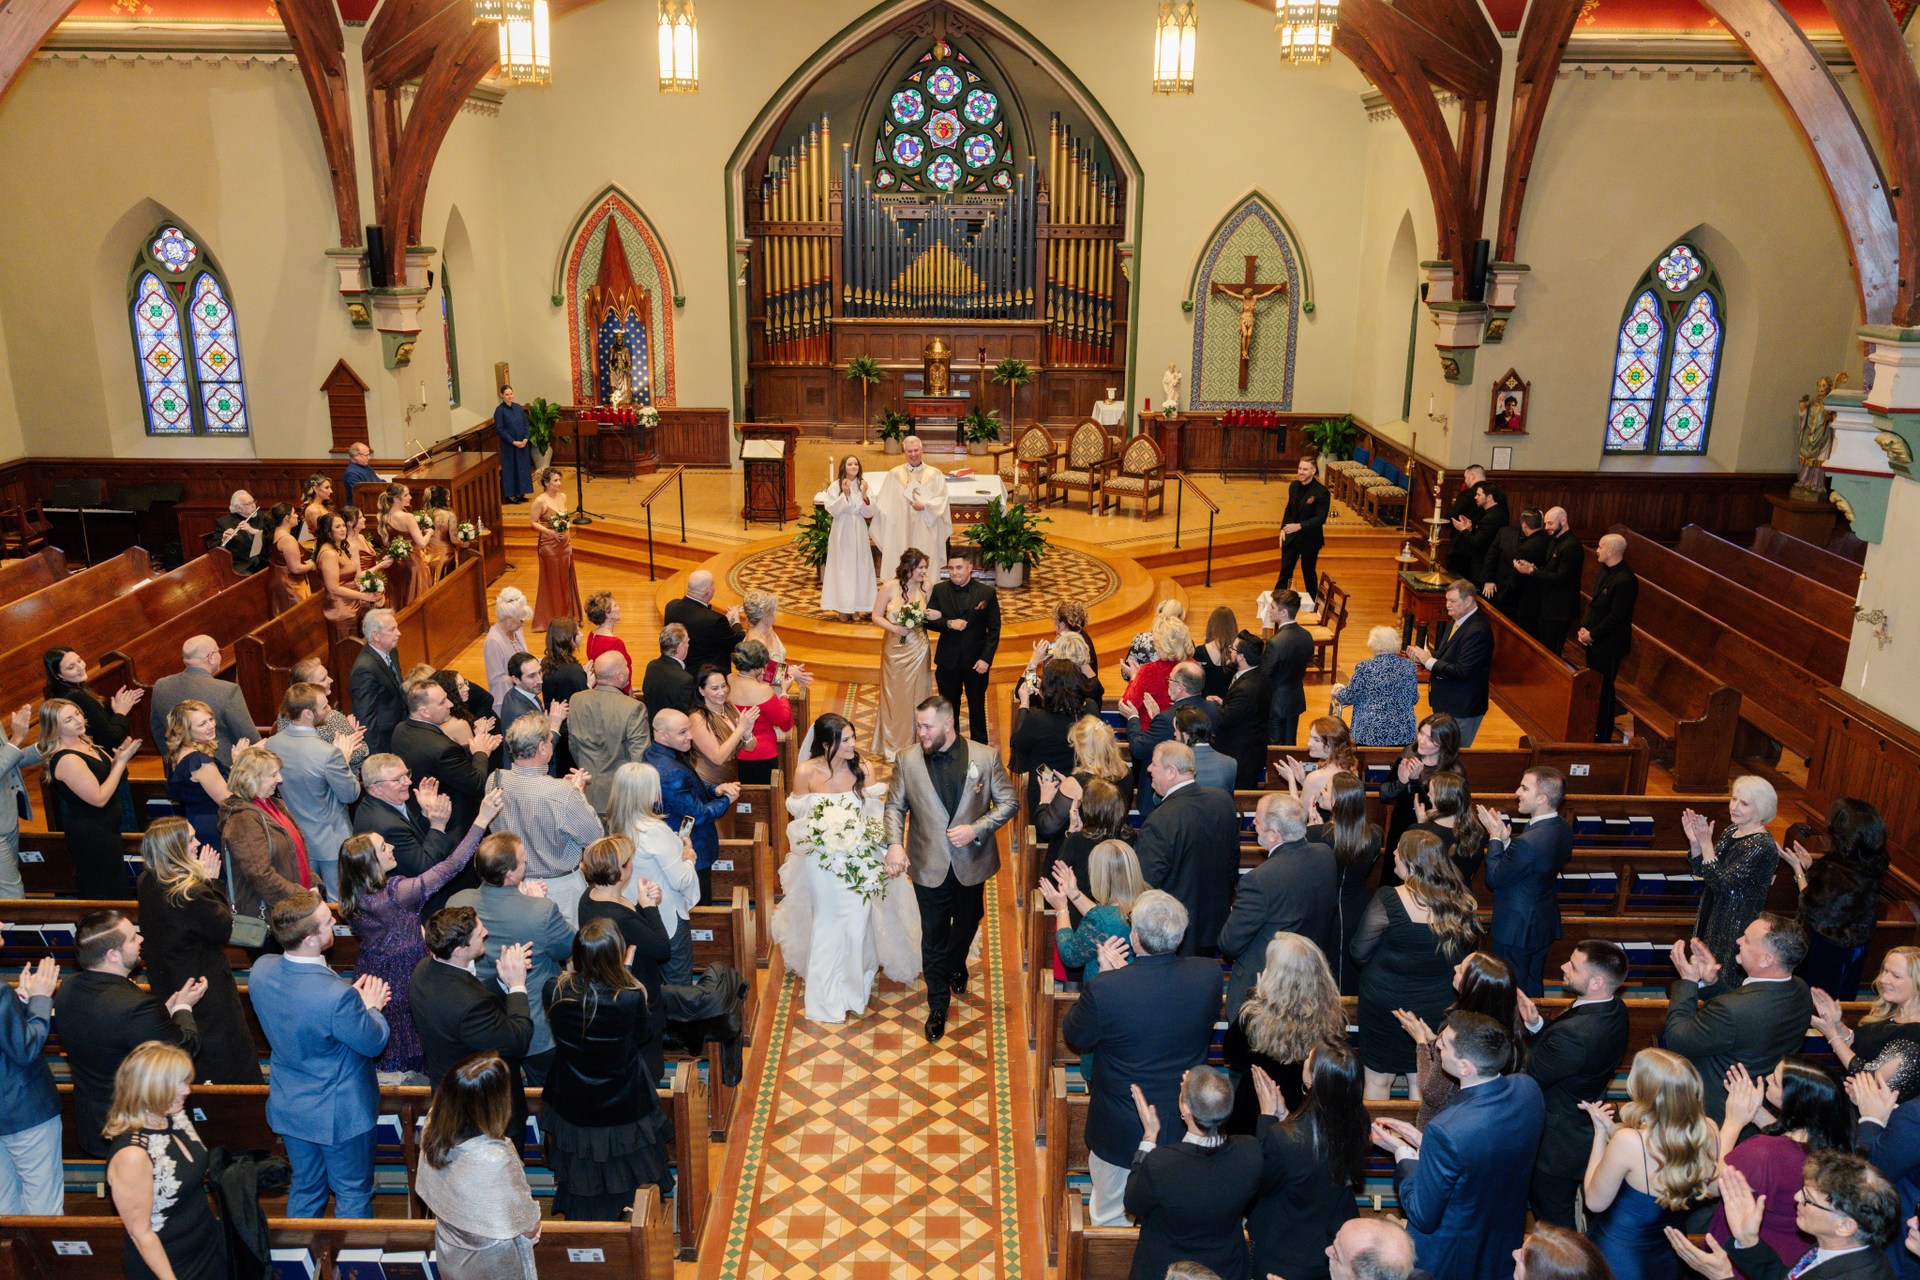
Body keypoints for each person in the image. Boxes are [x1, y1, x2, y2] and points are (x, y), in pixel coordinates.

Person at [1061, 889, 1223, 1227]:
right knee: (1171, 1218)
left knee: (1111, 1218)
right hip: (1183, 1126)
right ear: (1180, 935)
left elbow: (1076, 1035)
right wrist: (1122, 979)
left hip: (1121, 1129)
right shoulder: (1208, 976)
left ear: (1134, 937)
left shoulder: (1106, 989)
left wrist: (1109, 977)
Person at [882, 695, 1018, 1041]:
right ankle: (938, 1004)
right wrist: (895, 843)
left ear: (948, 724)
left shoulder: (984, 757)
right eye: (918, 726)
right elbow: (895, 806)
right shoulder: (907, 760)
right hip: (927, 862)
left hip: (971, 861)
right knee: (934, 934)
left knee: (970, 920)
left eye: (927, 726)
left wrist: (977, 828)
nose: (921, 733)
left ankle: (955, 963)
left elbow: (1009, 801)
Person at [249, 890, 390, 1217]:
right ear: (310, 939)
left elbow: (308, 1013)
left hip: (291, 1103)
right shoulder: (336, 997)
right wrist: (371, 1008)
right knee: (352, 1192)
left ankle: (300, 1250)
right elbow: (373, 1042)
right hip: (339, 1113)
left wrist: (349, 1007)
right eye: (327, 922)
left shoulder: (261, 970)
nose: (335, 922)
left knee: (306, 1187)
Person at [771, 713, 921, 1024]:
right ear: (826, 744)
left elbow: (876, 814)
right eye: (846, 740)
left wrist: (877, 847)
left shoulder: (862, 769)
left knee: (857, 922)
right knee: (827, 923)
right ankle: (825, 997)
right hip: (821, 863)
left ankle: (854, 989)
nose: (853, 744)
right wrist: (824, 834)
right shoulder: (805, 772)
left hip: (859, 860)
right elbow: (800, 820)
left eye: (853, 737)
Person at [1372, 1011, 1545, 1280]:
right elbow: (1483, 1152)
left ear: (1465, 1067)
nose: (1437, 1046)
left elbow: (1421, 1214)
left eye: (1443, 1045)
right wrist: (1426, 1144)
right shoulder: (1528, 1089)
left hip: (1454, 1255)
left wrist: (1403, 1154)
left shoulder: (1446, 1131)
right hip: (1502, 1236)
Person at [338, 789, 499, 1075]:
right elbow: (451, 866)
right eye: (383, 847)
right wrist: (481, 820)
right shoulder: (396, 895)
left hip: (372, 973)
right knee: (412, 1044)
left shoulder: (351, 895)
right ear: (370, 863)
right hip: (405, 977)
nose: (391, 847)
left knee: (388, 1042)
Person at [541, 917, 675, 1221]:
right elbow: (642, 1035)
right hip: (622, 1099)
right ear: (617, 954)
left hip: (574, 1100)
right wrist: (626, 975)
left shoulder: (555, 990)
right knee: (628, 1173)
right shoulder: (629, 996)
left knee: (583, 1175)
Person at [55, 910, 204, 1157]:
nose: (141, 939)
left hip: (93, 1120)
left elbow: (116, 1032)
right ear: (113, 955)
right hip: (133, 1129)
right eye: (133, 938)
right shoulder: (136, 1006)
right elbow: (184, 1050)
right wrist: (183, 1007)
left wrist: (162, 1014)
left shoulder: (68, 987)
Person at [1352, 830, 1483, 1100]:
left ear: (1412, 862)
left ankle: (1378, 1129)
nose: (1393, 853)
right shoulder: (1461, 902)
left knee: (1378, 1080)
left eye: (1398, 849)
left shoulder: (1389, 899)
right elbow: (1467, 955)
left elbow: (1359, 952)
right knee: (1421, 1078)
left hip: (1387, 1007)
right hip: (1435, 1007)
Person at [134, 819, 258, 1084]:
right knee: (225, 1055)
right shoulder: (190, 892)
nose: (198, 843)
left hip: (169, 981)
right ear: (175, 848)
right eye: (190, 839)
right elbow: (223, 927)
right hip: (204, 987)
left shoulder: (146, 881)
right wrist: (211, 882)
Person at [1521, 938, 1632, 1227]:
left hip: (1557, 1145)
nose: (1563, 966)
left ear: (1596, 982)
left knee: (1555, 1225)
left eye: (1573, 966)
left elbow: (1530, 1075)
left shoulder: (1574, 1035)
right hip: (1583, 1124)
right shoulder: (1615, 1008)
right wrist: (1537, 1025)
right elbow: (1568, 1057)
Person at [1710, 1057, 1859, 1272]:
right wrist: (1756, 1111)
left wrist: (1733, 1121)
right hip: (1794, 1259)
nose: (1768, 1078)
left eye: (1777, 1081)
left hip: (1747, 1259)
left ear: (1795, 1102)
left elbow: (1712, 1185)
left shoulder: (1762, 1152)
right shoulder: (1833, 1146)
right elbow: (1790, 1136)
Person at [449, 833, 575, 1086]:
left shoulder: (457, 902)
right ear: (509, 875)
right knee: (549, 1094)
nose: (527, 865)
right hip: (535, 1025)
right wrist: (536, 903)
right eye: (524, 862)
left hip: (484, 1022)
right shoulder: (541, 911)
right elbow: (569, 947)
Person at [1582, 1048, 1719, 1280]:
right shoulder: (1708, 1130)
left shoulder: (1628, 1141)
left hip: (1620, 1257)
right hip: (1671, 1253)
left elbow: (1594, 1202)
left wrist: (1600, 1134)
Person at [1665, 913, 1815, 1122]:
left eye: (1747, 939)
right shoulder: (1800, 988)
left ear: (1766, 959)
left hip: (1719, 1112)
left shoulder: (1733, 1010)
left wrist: (1688, 982)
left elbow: (1677, 1039)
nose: (1738, 941)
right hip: (1763, 1107)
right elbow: (1746, 1016)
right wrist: (1710, 983)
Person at [1123, 1065, 1265, 1280]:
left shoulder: (1161, 1163)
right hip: (1225, 1269)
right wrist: (1195, 1089)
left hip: (1167, 1269)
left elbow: (1133, 1203)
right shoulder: (1251, 1152)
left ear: (1186, 1110)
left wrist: (1149, 1137)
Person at [1247, 1041, 1370, 1280]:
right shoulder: (1358, 1124)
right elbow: (1312, 1159)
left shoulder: (1283, 1138)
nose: (1304, 1059)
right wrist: (1285, 1116)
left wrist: (1267, 1118)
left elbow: (1262, 1182)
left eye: (1309, 1059)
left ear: (1313, 1078)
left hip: (1283, 1251)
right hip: (1329, 1248)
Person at [104, 1042, 226, 1280]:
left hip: (207, 1246)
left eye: (186, 1081)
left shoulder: (173, 1116)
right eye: (177, 1084)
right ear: (150, 1088)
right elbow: (141, 1234)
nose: (187, 1091)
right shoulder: (132, 1155)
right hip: (171, 1264)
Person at [414, 1051, 541, 1280]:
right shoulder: (493, 1158)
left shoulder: (434, 1125)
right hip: (492, 1264)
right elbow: (528, 1225)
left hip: (450, 1251)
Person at [1672, 1154, 1900, 1280]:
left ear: (1845, 1226)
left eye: (1809, 1198)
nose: (1797, 1197)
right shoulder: (1837, 1248)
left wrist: (1723, 1277)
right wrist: (1748, 1240)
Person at [409, 906, 535, 1122]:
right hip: (481, 1109)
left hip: (446, 1091)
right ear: (459, 950)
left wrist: (501, 979)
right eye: (479, 933)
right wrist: (516, 985)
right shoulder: (470, 1006)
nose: (485, 932)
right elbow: (518, 1040)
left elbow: (467, 994)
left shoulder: (424, 969)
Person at [1220, 795, 1338, 1016]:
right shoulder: (1326, 855)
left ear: (1274, 834)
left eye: (1257, 821)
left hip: (1267, 991)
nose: (1253, 824)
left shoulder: (1259, 880)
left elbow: (1229, 944)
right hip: (1311, 981)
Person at [1222, 932, 1347, 1130]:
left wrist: (1257, 997)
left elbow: (1233, 1057)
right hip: (1306, 1110)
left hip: (1256, 1110)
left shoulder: (1254, 1016)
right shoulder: (1333, 1016)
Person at [1393, 950, 1526, 1128]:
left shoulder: (1464, 1032)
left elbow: (1432, 1093)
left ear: (1472, 987)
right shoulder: (1503, 1028)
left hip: (1443, 1125)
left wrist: (1421, 1043)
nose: (1455, 967)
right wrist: (1434, 1040)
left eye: (1461, 969)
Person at [575, 837, 671, 1079]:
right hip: (638, 995)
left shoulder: (590, 895)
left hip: (612, 991)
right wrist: (650, 908)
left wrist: (641, 905)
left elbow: (631, 929)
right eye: (629, 861)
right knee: (647, 1073)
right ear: (620, 871)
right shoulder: (618, 916)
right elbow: (662, 949)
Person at [490, 713, 601, 923]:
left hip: (513, 886)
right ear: (542, 747)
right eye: (550, 740)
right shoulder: (562, 792)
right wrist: (577, 794)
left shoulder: (495, 779)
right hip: (560, 890)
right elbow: (594, 837)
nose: (551, 745)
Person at [1134, 740, 1241, 957]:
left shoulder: (1159, 819)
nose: (1149, 769)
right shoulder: (1222, 801)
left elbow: (1146, 883)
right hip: (1215, 924)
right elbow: (1232, 861)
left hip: (1174, 931)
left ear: (1171, 771)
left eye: (1154, 764)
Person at [262, 682, 364, 898]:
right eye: (324, 706)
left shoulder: (271, 745)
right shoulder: (329, 753)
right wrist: (344, 760)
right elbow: (350, 794)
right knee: (340, 904)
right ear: (308, 714)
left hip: (295, 839)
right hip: (331, 841)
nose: (329, 709)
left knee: (306, 902)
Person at [1478, 766, 1573, 995]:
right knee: (1532, 982)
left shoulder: (1529, 842)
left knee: (1511, 988)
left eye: (1524, 788)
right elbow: (1532, 865)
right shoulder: (1563, 827)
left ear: (1541, 798)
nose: (1517, 792)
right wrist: (1506, 842)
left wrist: (1494, 838)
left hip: (1517, 928)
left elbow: (1494, 878)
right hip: (1541, 921)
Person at [607, 762, 702, 985]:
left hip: (635, 916)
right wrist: (688, 856)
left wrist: (673, 846)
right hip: (665, 917)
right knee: (678, 986)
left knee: (647, 982)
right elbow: (681, 881)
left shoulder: (615, 825)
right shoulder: (654, 829)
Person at [1685, 775, 1784, 987]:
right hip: (1713, 911)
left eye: (1744, 803)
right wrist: (1696, 844)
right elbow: (1707, 872)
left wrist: (1706, 843)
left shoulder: (1762, 846)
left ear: (1761, 809)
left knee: (1722, 981)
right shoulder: (1732, 830)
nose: (1735, 807)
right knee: (1703, 970)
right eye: (1734, 799)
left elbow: (1722, 883)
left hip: (1734, 922)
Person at [41, 698, 141, 897]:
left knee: (117, 890)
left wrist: (119, 758)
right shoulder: (67, 759)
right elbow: (98, 798)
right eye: (68, 720)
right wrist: (120, 763)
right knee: (104, 893)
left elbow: (113, 775)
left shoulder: (84, 741)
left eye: (77, 713)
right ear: (55, 728)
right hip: (92, 836)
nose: (78, 720)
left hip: (108, 829)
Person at [1792, 798, 1890, 1000]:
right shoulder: (1870, 862)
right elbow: (1838, 897)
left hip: (1827, 950)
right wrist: (1812, 869)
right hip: (1855, 946)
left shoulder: (1835, 871)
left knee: (1818, 1001)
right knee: (1843, 996)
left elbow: (1812, 908)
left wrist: (1798, 871)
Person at [1813, 947, 1920, 1099]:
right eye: (1885, 971)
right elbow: (1861, 1048)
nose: (1883, 979)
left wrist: (1832, 1037)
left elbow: (1869, 1079)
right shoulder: (1892, 1011)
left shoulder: (1915, 1034)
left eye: (1896, 976)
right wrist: (1836, 1024)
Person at [1310, 770, 1382, 994]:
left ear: (1338, 801)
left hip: (1326, 911)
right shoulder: (1374, 835)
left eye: (1326, 789)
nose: (1321, 791)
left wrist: (1313, 829)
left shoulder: (1316, 834)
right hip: (1359, 911)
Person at [0, 954, 61, 1215]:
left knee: (4, 1205)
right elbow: (25, 1049)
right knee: (44, 1206)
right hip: (24, 1109)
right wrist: (40, 999)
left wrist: (20, 1000)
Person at [1125, 661, 1222, 818]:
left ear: (1180, 687)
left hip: (1163, 801)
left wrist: (1133, 718)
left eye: (1170, 679)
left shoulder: (1168, 718)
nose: (1167, 683)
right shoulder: (1213, 709)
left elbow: (1138, 749)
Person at [1040, 837, 1141, 985]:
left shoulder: (1102, 918)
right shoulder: (1147, 900)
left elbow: (1070, 955)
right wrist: (1074, 894)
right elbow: (1106, 917)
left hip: (1102, 990)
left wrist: (1061, 909)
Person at [1406, 580, 1494, 747]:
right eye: (1447, 600)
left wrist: (1428, 661)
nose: (1447, 605)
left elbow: (1463, 670)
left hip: (1462, 709)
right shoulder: (1457, 620)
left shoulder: (1477, 631)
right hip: (1447, 704)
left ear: (1468, 601)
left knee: (1453, 754)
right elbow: (1447, 656)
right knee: (1442, 752)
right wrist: (1423, 657)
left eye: (1453, 601)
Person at [1849, 1074, 1920, 1280]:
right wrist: (1892, 1113)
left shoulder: (1915, 1114)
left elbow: (1869, 1176)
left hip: (1906, 1248)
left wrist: (1871, 1119)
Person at [925, 553, 1000, 743]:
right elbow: (929, 621)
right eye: (950, 568)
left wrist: (985, 659)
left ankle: (980, 747)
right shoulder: (939, 590)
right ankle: (951, 745)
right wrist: (949, 623)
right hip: (948, 661)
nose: (954, 572)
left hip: (976, 662)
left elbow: (994, 630)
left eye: (958, 567)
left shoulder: (986, 592)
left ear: (969, 568)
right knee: (949, 710)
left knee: (977, 707)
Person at [146, 635, 254, 765]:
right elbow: (248, 737)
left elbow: (158, 730)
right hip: (220, 769)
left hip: (179, 767)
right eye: (219, 652)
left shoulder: (161, 686)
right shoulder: (227, 690)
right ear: (211, 657)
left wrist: (174, 763)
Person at [570, 652, 653, 814]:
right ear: (619, 675)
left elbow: (574, 745)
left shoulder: (576, 699)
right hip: (619, 797)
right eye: (626, 666)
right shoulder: (634, 707)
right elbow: (639, 758)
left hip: (583, 791)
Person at [874, 548, 934, 761]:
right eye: (921, 568)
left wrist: (931, 615)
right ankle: (893, 745)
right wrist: (895, 629)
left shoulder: (927, 587)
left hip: (919, 648)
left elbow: (931, 616)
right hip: (894, 649)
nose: (924, 572)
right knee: (895, 697)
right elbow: (876, 616)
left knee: (919, 695)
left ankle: (918, 743)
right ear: (909, 568)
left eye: (925, 568)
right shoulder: (889, 587)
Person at [1378, 712, 1463, 855]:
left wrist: (1414, 779)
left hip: (1428, 835)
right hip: (1400, 824)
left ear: (1445, 742)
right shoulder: (1410, 751)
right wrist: (1401, 782)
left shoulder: (1452, 771)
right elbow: (1384, 794)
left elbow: (1431, 809)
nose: (1421, 741)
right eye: (1421, 733)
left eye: (1430, 739)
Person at [1581, 532, 1639, 741]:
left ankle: (1602, 734)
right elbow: (1595, 605)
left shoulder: (1625, 580)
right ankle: (1591, 728)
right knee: (1594, 686)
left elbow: (1616, 617)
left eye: (1600, 547)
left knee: (1604, 690)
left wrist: (1592, 634)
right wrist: (1584, 628)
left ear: (1611, 551)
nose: (1596, 550)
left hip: (1610, 644)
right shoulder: (1604, 572)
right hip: (1595, 640)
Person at [1012, 660, 1090, 812]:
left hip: (1045, 789)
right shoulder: (1088, 711)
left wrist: (1024, 704)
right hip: (1077, 788)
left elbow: (1018, 743)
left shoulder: (1038, 720)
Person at [870, 434, 952, 572]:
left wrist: (925, 506)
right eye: (909, 451)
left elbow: (942, 500)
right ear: (905, 452)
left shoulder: (935, 474)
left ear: (922, 450)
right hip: (901, 530)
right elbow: (883, 506)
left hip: (926, 528)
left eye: (916, 450)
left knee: (925, 563)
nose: (913, 454)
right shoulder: (894, 475)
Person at [162, 699, 234, 851]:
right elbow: (229, 801)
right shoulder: (199, 762)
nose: (211, 726)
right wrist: (240, 764)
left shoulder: (176, 754)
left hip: (195, 823)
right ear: (185, 731)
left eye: (211, 719)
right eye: (202, 724)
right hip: (214, 828)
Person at [1331, 625, 1420, 747]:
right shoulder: (1409, 666)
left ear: (1373, 645)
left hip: (1368, 733)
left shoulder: (1365, 667)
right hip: (1404, 733)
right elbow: (1414, 699)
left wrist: (1338, 690)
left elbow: (1348, 697)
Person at [1518, 507, 1583, 656]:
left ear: (1563, 521)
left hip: (1560, 610)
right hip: (1548, 606)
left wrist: (1532, 572)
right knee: (1543, 648)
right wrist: (1533, 568)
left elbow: (1561, 578)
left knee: (1551, 652)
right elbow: (1549, 569)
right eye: (1546, 523)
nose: (1546, 527)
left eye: (1550, 523)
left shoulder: (1571, 546)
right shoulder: (1554, 541)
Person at [727, 639, 793, 785]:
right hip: (761, 753)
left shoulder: (728, 680)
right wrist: (784, 692)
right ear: (758, 665)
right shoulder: (763, 690)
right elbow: (782, 719)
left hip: (732, 749)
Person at [316, 511, 386, 645]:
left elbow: (349, 578)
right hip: (341, 608)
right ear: (328, 531)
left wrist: (365, 589)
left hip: (352, 604)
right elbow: (333, 588)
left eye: (343, 525)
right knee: (347, 649)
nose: (343, 529)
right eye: (337, 527)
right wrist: (363, 596)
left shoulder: (339, 548)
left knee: (357, 646)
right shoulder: (329, 554)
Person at [822, 453, 878, 619]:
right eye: (850, 464)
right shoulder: (836, 486)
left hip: (858, 528)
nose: (854, 467)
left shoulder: (863, 485)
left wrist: (864, 495)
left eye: (856, 464)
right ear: (844, 467)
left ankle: (857, 607)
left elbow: (870, 512)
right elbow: (832, 509)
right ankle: (843, 608)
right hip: (842, 528)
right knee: (843, 568)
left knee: (859, 567)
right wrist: (845, 494)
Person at [1276, 715, 1361, 824]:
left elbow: (1297, 818)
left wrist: (1291, 779)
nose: (1309, 743)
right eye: (1311, 737)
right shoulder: (1352, 769)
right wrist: (1303, 781)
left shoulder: (1316, 777)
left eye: (1316, 740)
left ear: (1332, 744)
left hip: (1322, 833)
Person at [664, 568, 746, 675]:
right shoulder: (715, 620)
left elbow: (701, 626)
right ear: (708, 590)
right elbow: (738, 644)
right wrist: (736, 621)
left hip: (678, 672)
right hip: (706, 677)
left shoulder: (671, 606)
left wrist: (725, 622)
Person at [1217, 632, 1272, 789]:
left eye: (1233, 648)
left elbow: (1225, 719)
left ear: (1241, 656)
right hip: (1250, 748)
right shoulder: (1257, 674)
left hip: (1242, 757)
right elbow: (1243, 710)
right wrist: (1224, 703)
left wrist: (1213, 707)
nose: (1230, 651)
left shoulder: (1246, 689)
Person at [346, 608, 405, 755]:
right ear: (376, 635)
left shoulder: (392, 651)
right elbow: (365, 717)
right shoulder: (364, 669)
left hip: (400, 730)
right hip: (384, 741)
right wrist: (377, 756)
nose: (399, 633)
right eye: (392, 629)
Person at [1276, 454, 1331, 604]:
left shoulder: (1321, 492)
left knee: (1308, 573)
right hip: (1291, 537)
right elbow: (1289, 509)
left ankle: (1313, 604)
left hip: (1310, 539)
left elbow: (1320, 519)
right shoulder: (1293, 486)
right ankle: (1277, 604)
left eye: (1305, 469)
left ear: (1313, 471)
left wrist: (1299, 526)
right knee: (1285, 572)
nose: (1301, 472)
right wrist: (1282, 529)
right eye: (1300, 468)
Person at [1261, 590, 1313, 746]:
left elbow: (1264, 676)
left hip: (1276, 703)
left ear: (1283, 612)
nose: (1269, 610)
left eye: (1272, 607)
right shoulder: (1307, 636)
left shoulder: (1275, 642)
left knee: (1275, 748)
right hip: (1295, 697)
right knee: (1290, 743)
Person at [530, 467, 580, 630]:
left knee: (566, 579)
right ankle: (553, 618)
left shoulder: (563, 497)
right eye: (556, 480)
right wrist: (551, 532)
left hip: (564, 545)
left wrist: (567, 529)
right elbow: (533, 522)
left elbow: (565, 518)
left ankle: (568, 615)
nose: (559, 483)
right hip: (549, 546)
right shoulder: (540, 501)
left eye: (559, 480)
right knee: (552, 581)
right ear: (546, 483)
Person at [689, 662, 755, 786]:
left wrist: (747, 734)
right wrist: (740, 729)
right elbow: (718, 758)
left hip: (731, 781)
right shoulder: (697, 718)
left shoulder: (729, 706)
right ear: (701, 691)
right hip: (708, 784)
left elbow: (750, 748)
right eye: (715, 688)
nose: (722, 692)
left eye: (723, 686)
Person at [1126, 615, 1194, 723]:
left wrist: (1133, 677)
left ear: (1160, 644)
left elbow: (1128, 705)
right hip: (1186, 728)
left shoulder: (1149, 670)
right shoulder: (1194, 667)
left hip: (1154, 729)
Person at [376, 482, 428, 610]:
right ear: (396, 498)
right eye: (406, 495)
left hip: (395, 565)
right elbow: (422, 543)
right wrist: (430, 532)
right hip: (412, 564)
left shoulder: (383, 517)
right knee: (415, 601)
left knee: (398, 597)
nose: (410, 497)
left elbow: (387, 543)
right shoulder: (408, 517)